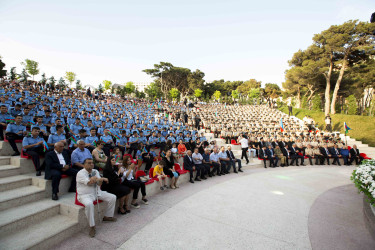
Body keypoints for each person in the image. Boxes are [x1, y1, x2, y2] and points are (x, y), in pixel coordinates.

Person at [76, 158, 117, 238]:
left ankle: (107, 216)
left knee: (112, 197)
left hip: (97, 192)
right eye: (89, 163)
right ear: (84, 164)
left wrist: (99, 179)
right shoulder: (80, 173)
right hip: (85, 195)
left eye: (92, 163)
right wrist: (101, 179)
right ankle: (92, 226)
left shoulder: (95, 171)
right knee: (89, 204)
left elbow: (99, 184)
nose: (91, 164)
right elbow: (90, 182)